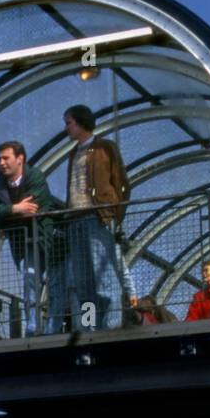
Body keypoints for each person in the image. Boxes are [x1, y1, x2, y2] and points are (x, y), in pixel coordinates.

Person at [62, 105, 132, 332]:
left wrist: (112, 213)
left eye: (69, 122)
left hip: (96, 217)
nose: (67, 128)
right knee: (83, 280)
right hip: (76, 218)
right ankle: (90, 327)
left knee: (104, 276)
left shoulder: (105, 148)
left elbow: (121, 182)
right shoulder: (73, 153)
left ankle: (110, 327)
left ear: (81, 122)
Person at [0, 141, 60, 336]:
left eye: (5, 158)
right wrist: (15, 209)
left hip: (47, 239)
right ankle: (34, 326)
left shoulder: (34, 175)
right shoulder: (0, 184)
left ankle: (61, 325)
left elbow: (33, 208)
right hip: (26, 242)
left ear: (20, 159)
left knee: (58, 284)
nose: (1, 163)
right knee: (30, 279)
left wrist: (7, 216)